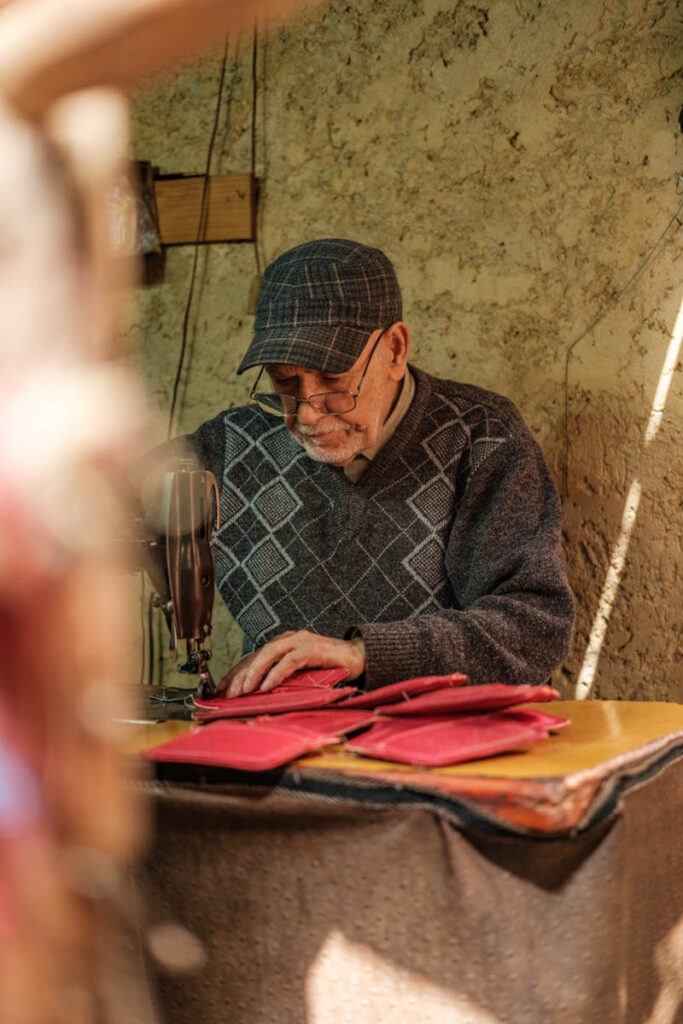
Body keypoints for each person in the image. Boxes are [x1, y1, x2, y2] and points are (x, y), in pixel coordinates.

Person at [175, 237, 574, 696]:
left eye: (333, 379)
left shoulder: (482, 440)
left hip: (431, 749)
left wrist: (363, 655)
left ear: (395, 350)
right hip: (280, 739)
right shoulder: (232, 445)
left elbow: (536, 627)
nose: (305, 413)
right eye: (285, 382)